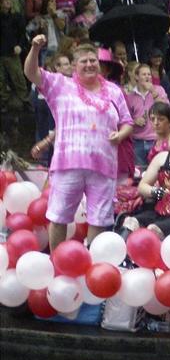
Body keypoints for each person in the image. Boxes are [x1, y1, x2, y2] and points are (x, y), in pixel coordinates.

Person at [24, 36, 134, 250]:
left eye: (93, 60)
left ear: (99, 65)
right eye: (83, 61)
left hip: (103, 166)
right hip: (68, 163)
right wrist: (36, 48)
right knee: (59, 215)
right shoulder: (60, 84)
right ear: (74, 66)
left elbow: (127, 122)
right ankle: (57, 262)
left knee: (99, 219)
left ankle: (93, 263)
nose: (89, 64)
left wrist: (120, 136)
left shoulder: (113, 91)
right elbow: (31, 72)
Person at [125, 63, 169, 166]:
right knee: (140, 173)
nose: (147, 77)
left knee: (158, 171)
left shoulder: (159, 90)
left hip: (156, 139)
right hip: (138, 142)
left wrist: (153, 91)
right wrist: (134, 121)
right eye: (144, 74)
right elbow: (125, 119)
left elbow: (166, 110)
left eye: (149, 74)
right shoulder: (130, 96)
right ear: (136, 77)